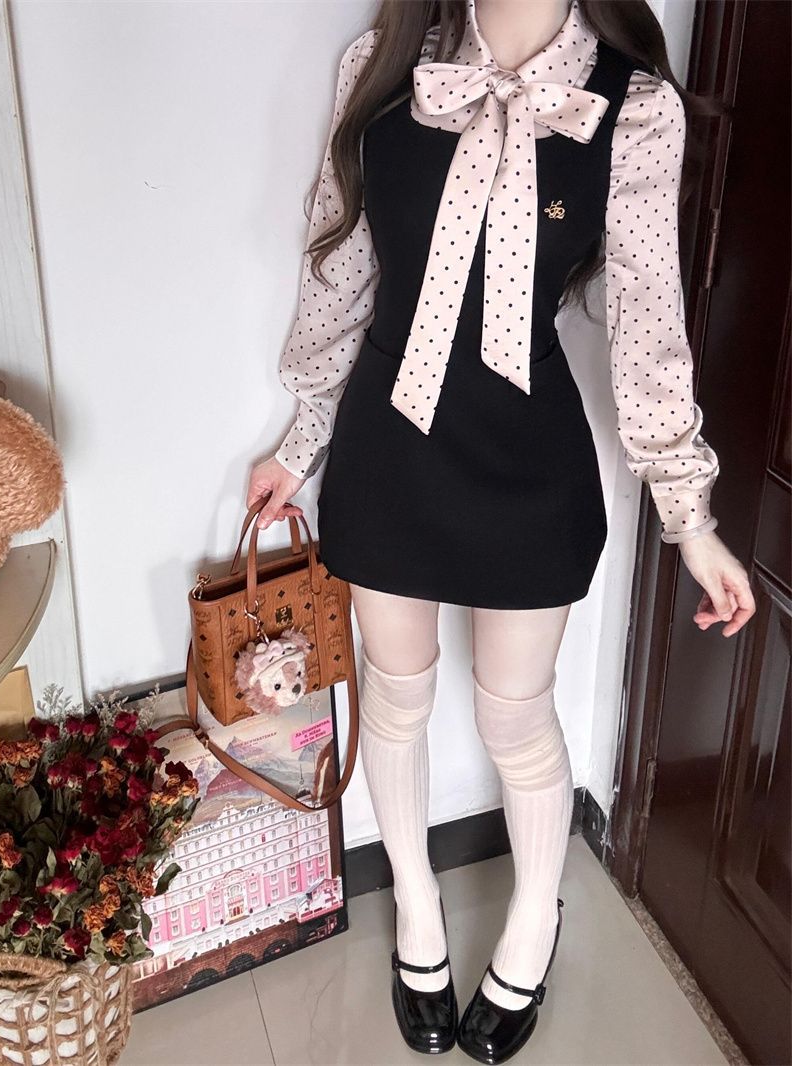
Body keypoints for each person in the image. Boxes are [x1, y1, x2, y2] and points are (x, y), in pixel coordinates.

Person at [246, 1, 756, 1061]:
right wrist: (299, 441)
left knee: (514, 716)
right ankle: (417, 910)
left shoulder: (632, 107)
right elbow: (337, 269)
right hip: (389, 448)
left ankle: (533, 916)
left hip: (527, 458)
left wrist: (689, 517)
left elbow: (648, 326)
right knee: (395, 697)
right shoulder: (382, 65)